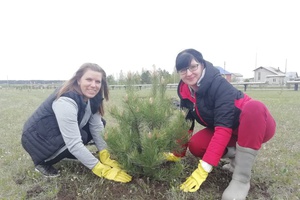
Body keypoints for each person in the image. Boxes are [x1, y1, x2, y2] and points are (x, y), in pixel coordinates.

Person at [169, 49, 276, 199]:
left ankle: (241, 178)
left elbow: (222, 129)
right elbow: (186, 123)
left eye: (193, 67)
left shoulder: (219, 85)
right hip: (232, 131)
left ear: (202, 65)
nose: (189, 73)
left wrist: (204, 169)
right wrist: (178, 153)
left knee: (254, 106)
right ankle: (237, 157)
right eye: (183, 70)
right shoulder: (185, 92)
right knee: (196, 145)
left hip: (257, 126)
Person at [21, 63, 132, 183]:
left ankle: (68, 154)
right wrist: (100, 169)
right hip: (38, 139)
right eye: (89, 80)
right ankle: (42, 163)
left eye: (97, 81)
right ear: (79, 80)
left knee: (99, 124)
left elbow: (96, 127)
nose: (93, 85)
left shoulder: (93, 97)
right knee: (79, 138)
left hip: (54, 132)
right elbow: (73, 143)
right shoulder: (66, 101)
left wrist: (104, 153)